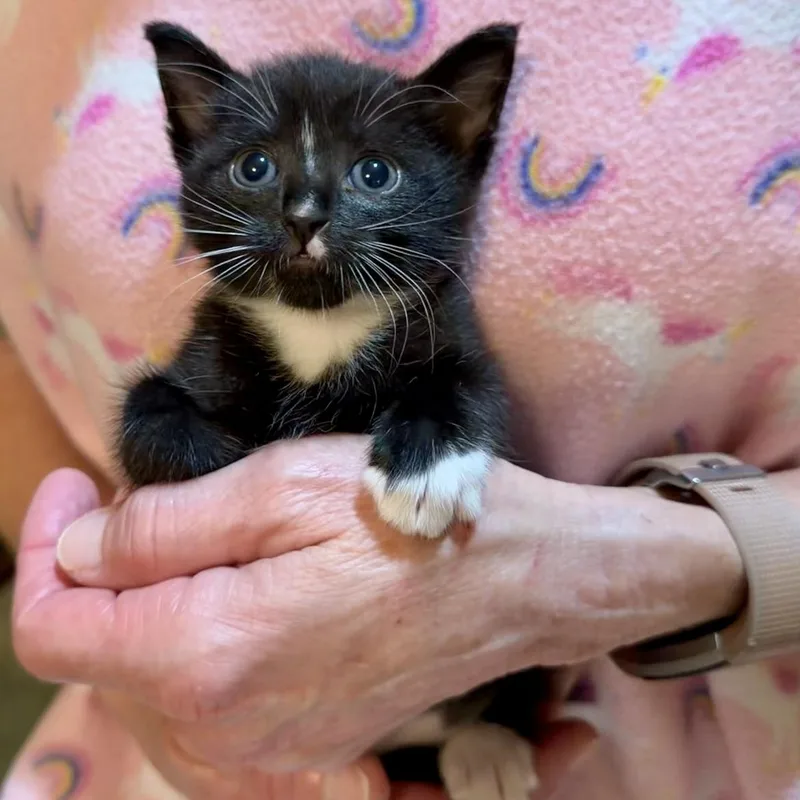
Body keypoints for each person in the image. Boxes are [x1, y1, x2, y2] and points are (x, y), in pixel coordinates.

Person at [1, 0, 800, 798]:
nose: (305, 211)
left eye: (372, 173)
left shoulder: (430, 337)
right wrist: (118, 648)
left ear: (461, 154)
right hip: (170, 740)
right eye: (255, 170)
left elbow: (461, 395)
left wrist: (649, 568)